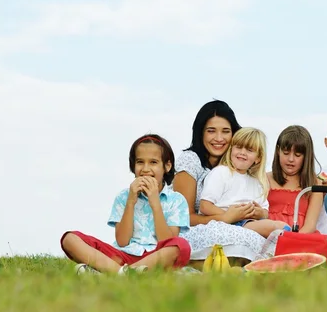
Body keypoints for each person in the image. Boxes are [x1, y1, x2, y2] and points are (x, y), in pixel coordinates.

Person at [60, 134, 191, 274]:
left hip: (155, 257)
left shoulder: (176, 200)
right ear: (133, 165)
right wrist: (130, 202)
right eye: (140, 162)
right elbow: (122, 241)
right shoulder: (124, 197)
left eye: (153, 162)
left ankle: (110, 273)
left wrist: (155, 203)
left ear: (167, 166)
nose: (146, 169)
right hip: (120, 256)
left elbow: (166, 240)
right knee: (69, 238)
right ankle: (124, 273)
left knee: (181, 246)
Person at [173, 100, 266, 263]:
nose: (219, 138)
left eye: (225, 131)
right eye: (211, 131)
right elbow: (183, 219)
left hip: (234, 228)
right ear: (201, 132)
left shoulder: (238, 168)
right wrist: (225, 218)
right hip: (195, 232)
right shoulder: (191, 161)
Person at [200, 127, 291, 237]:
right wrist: (231, 216)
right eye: (238, 147)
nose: (242, 152)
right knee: (275, 228)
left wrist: (260, 213)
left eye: (249, 150)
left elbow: (265, 212)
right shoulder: (221, 172)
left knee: (282, 226)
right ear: (231, 150)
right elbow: (205, 206)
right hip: (227, 222)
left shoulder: (257, 182)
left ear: (258, 158)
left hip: (248, 222)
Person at [267, 125, 322, 232]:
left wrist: (291, 241)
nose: (291, 159)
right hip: (268, 239)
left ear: (306, 156)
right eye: (286, 153)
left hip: (301, 241)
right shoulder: (265, 179)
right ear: (278, 151)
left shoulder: (315, 184)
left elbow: (310, 226)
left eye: (297, 155)